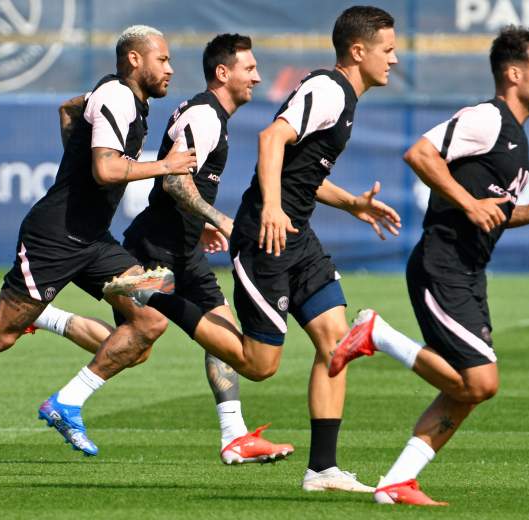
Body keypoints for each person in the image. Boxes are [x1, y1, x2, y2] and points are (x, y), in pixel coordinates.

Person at [106, 5, 402, 492]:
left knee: (337, 343)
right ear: (358, 50)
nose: (393, 59)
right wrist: (268, 208)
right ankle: (155, 293)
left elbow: (302, 177)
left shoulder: (344, 99)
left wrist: (351, 203)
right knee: (260, 365)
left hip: (297, 236)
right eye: (387, 50)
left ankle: (323, 470)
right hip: (267, 239)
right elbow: (272, 139)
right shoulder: (328, 90)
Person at [0, 25, 197, 477]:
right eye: (163, 59)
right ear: (135, 60)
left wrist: (73, 154)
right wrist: (165, 166)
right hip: (54, 238)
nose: (170, 68)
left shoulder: (120, 98)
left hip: (92, 240)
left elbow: (69, 108)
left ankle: (66, 402)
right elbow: (106, 169)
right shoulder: (116, 96)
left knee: (149, 322)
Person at [328, 26, 529, 505]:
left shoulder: (516, 138)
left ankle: (395, 483)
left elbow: (493, 215)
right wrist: (467, 202)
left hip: (467, 272)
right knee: (480, 382)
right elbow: (419, 153)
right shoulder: (487, 118)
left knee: (469, 390)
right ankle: (376, 334)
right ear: (513, 73)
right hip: (441, 266)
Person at [30, 34, 293, 465]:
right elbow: (173, 179)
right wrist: (218, 219)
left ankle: (234, 436)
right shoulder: (205, 115)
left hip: (184, 250)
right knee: (140, 344)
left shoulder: (213, 116)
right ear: (223, 73)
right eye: (250, 69)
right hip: (155, 248)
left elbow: (183, 182)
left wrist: (199, 225)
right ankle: (56, 352)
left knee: (234, 349)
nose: (257, 78)